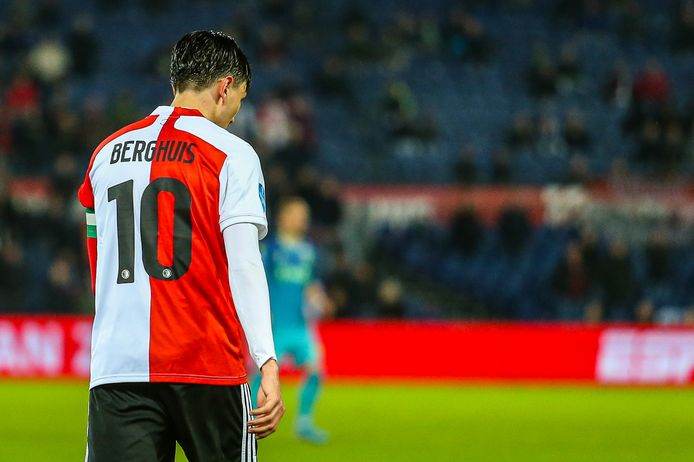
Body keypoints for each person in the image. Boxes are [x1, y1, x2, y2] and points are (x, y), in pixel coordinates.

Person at [76, 30, 284, 461]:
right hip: (207, 364)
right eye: (240, 100)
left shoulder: (104, 154)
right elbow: (244, 263)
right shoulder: (232, 154)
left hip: (118, 367)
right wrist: (266, 359)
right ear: (225, 86)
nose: (235, 115)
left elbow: (100, 266)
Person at [253, 197, 331, 444]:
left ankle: (304, 423)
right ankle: (249, 420)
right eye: (296, 213)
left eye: (304, 215)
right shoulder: (269, 250)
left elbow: (311, 284)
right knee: (261, 375)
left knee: (316, 370)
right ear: (282, 217)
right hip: (274, 325)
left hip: (300, 324)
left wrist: (321, 300)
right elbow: (257, 283)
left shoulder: (309, 251)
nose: (301, 219)